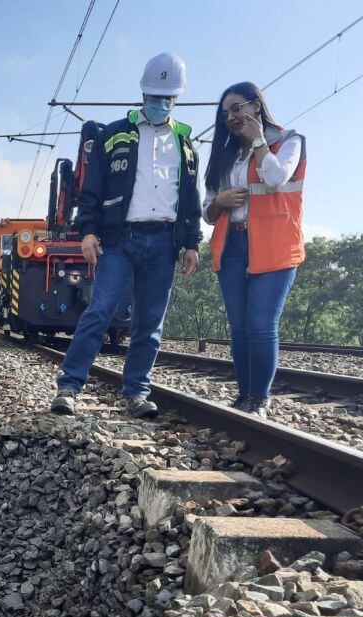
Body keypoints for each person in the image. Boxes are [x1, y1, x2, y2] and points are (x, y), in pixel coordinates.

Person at [51, 52, 202, 417]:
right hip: (120, 240)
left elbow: (190, 197)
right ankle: (69, 387)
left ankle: (136, 391)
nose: (159, 103)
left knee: (149, 323)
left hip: (164, 243)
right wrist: (88, 231)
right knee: (99, 311)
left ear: (176, 100)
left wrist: (192, 243)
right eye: (154, 97)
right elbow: (93, 190)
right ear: (142, 94)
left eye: (166, 98)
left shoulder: (184, 144)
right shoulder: (113, 134)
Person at [203, 82, 306, 418]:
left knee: (261, 324)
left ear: (256, 106)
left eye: (237, 108)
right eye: (226, 114)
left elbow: (276, 178)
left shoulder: (289, 141)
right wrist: (219, 201)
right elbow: (206, 211)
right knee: (240, 326)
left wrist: (259, 141)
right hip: (231, 244)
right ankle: (245, 396)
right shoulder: (225, 154)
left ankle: (260, 400)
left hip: (274, 245)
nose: (232, 117)